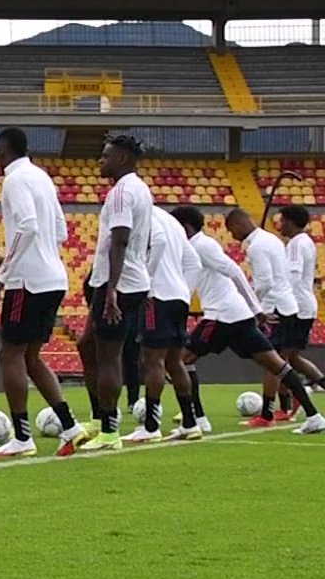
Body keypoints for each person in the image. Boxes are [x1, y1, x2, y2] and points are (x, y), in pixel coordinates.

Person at [174, 206, 325, 435]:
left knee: (179, 361)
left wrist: (256, 307)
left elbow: (234, 270)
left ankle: (196, 420)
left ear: (185, 228)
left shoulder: (202, 246)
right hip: (239, 314)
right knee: (277, 364)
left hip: (222, 315)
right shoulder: (196, 247)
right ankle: (314, 416)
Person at [0, 127, 82, 457]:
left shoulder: (13, 180)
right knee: (30, 356)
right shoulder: (42, 177)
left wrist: (4, 272)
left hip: (26, 282)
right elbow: (60, 231)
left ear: (2, 150)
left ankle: (23, 437)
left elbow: (27, 225)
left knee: (9, 354)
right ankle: (70, 426)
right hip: (53, 277)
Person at [71, 134, 154, 454]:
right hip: (129, 281)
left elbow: (119, 240)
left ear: (121, 158)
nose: (100, 161)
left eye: (106, 156)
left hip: (118, 286)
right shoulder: (141, 189)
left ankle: (109, 431)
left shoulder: (121, 194)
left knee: (108, 357)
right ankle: (99, 415)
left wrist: (111, 291)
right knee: (86, 345)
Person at [124, 205, 198, 443]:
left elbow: (157, 243)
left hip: (157, 297)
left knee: (151, 360)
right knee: (174, 361)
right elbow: (194, 263)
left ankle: (151, 426)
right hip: (179, 298)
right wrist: (184, 292)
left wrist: (147, 282)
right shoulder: (172, 223)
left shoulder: (146, 217)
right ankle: (190, 422)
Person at [228, 206, 306, 426]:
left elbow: (265, 282)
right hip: (287, 305)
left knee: (270, 363)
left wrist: (256, 308)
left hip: (275, 310)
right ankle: (292, 400)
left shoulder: (257, 247)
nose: (233, 237)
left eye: (232, 231)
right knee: (280, 361)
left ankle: (267, 414)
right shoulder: (271, 240)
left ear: (239, 225)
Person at [276, 204, 324, 398]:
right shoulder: (306, 241)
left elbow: (293, 274)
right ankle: (321, 382)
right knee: (293, 357)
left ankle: (285, 404)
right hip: (305, 304)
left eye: (282, 220)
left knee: (281, 358)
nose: (279, 225)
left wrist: (281, 295)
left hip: (296, 306)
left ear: (289, 221)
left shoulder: (296, 243)